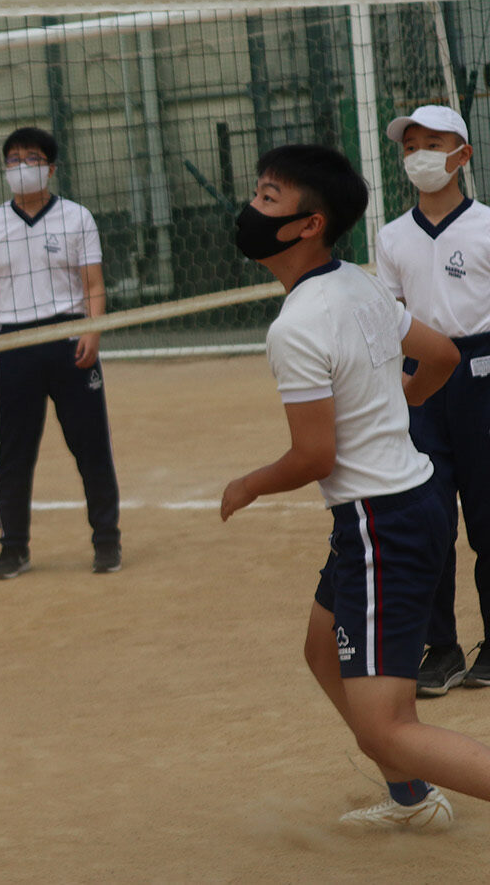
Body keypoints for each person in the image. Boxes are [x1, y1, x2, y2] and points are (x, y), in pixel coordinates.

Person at [217, 142, 490, 830]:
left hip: (380, 522)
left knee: (386, 728)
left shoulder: (299, 324)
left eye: (268, 198)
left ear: (310, 223)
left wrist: (248, 483)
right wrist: (401, 404)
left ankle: (409, 778)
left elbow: (313, 454)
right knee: (321, 646)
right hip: (403, 501)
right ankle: (412, 801)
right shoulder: (360, 281)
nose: (251, 208)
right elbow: (442, 356)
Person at [0, 127, 121, 579]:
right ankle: (13, 548)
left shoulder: (77, 216)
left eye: (31, 158)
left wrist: (92, 332)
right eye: (13, 160)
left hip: (69, 337)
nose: (21, 167)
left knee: (91, 446)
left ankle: (107, 541)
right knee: (14, 453)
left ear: (51, 167)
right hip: (14, 343)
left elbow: (94, 285)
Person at [375, 104, 490, 697]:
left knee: (488, 517)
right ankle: (440, 648)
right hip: (421, 381)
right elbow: (387, 317)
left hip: (483, 375)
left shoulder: (486, 226)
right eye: (410, 144)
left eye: (433, 142)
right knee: (429, 519)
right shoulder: (391, 235)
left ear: (462, 156)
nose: (418, 153)